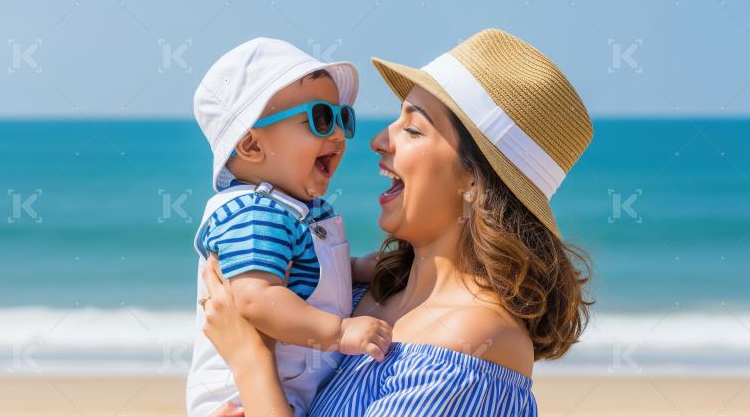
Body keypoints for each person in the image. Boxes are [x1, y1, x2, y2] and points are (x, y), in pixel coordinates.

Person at [200, 28, 594, 416]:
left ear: (473, 178)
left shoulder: (471, 346)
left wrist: (250, 361)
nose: (377, 140)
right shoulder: (359, 296)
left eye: (412, 128)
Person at [187, 37, 393, 417]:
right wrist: (340, 333)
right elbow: (256, 298)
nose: (337, 135)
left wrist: (357, 268)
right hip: (241, 399)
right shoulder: (254, 213)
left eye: (342, 117)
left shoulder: (298, 210)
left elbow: (304, 275)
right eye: (320, 118)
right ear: (250, 146)